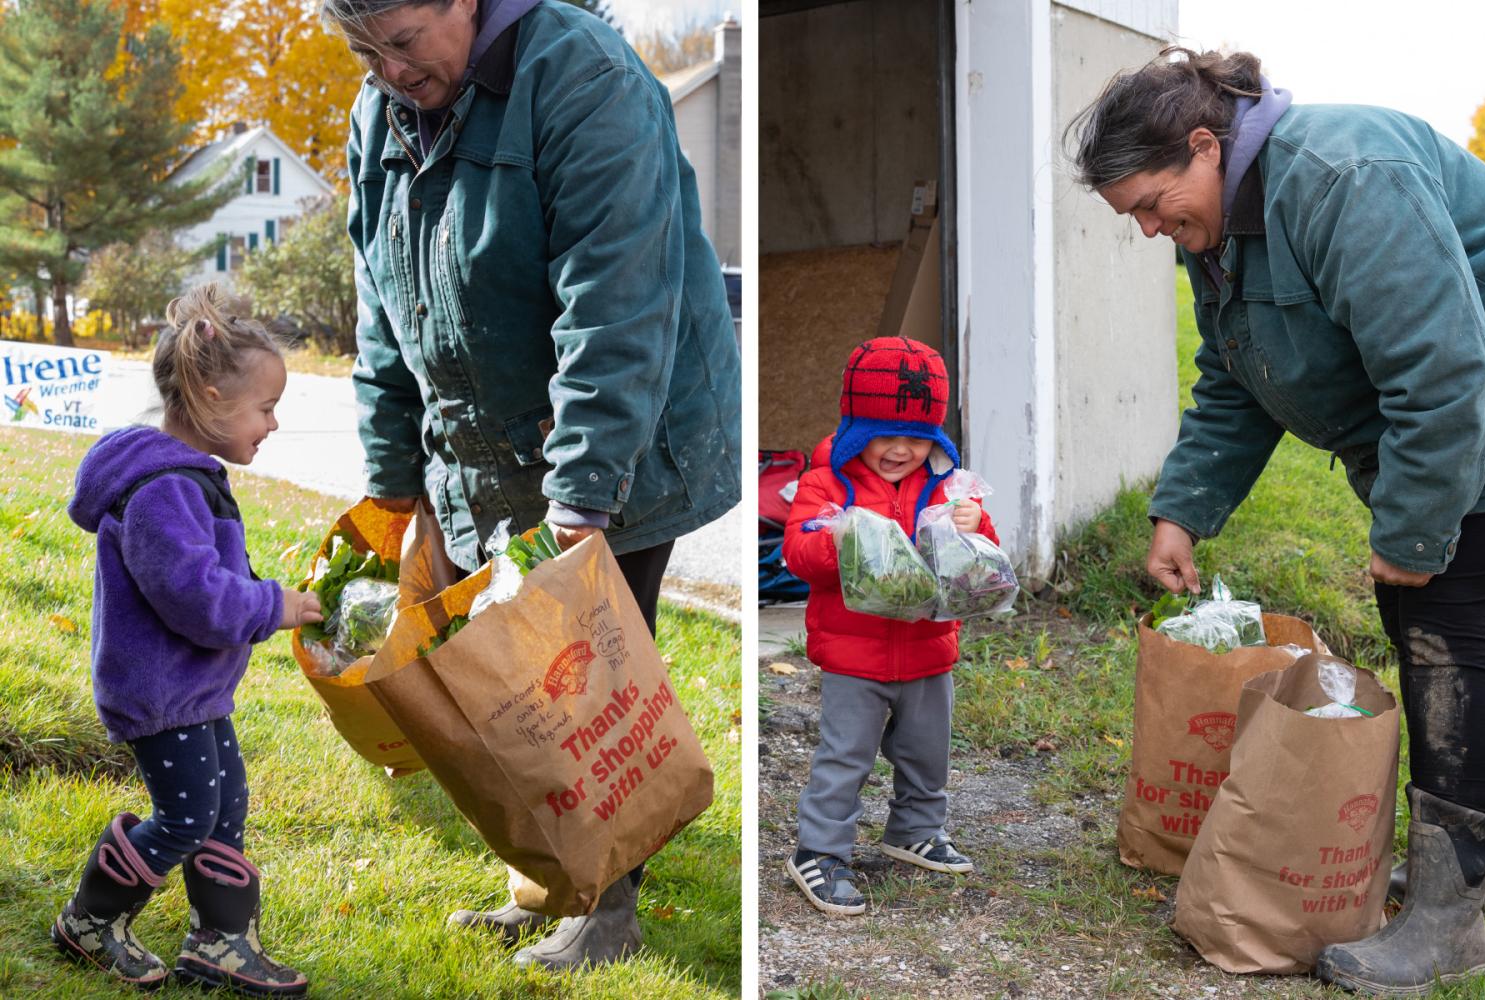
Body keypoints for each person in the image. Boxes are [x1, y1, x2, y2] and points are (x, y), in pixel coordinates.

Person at [320, 0, 741, 969]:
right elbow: (382, 304)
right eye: (361, 50)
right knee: (502, 675)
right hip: (483, 439)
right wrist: (393, 480)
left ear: (462, 1)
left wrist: (583, 498)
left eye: (399, 39)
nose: (385, 68)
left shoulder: (582, 79)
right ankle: (551, 883)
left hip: (623, 435)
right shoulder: (376, 113)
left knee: (583, 678)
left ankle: (607, 909)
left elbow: (616, 297)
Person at [1069, 47, 1485, 995]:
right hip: (1441, 436)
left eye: (1150, 202)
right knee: (1450, 641)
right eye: (1132, 217)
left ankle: (1447, 922)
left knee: (1450, 647)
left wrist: (1414, 527)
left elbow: (1445, 373)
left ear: (1203, 146)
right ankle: (1458, 873)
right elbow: (1236, 377)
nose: (1148, 229)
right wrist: (1182, 510)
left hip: (1477, 432)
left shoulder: (1343, 180)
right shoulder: (1217, 231)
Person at [56, 285, 321, 995]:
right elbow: (198, 600)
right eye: (265, 407)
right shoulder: (162, 488)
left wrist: (267, 594)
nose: (273, 423)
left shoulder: (188, 478)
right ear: (208, 395)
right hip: (160, 690)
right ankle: (87, 921)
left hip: (193, 689)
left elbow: (215, 573)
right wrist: (276, 606)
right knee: (184, 816)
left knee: (224, 805)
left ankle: (220, 942)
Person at [780, 337, 998, 916]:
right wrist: (842, 536)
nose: (901, 449)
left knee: (928, 753)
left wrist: (976, 525)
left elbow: (980, 566)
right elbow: (798, 554)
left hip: (929, 651)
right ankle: (820, 850)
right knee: (845, 756)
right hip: (856, 660)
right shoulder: (828, 484)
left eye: (916, 437)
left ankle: (915, 829)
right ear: (855, 428)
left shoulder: (946, 486)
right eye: (884, 435)